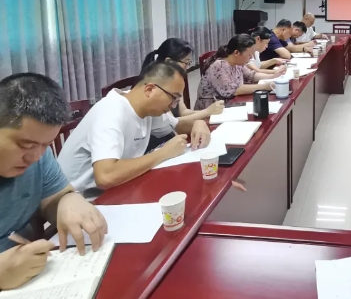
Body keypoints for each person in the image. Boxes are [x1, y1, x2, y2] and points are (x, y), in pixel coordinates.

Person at [0, 73, 108, 290]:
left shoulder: (39, 157)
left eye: (46, 144)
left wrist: (68, 200)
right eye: (25, 145)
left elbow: (55, 196)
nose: (35, 157)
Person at [58, 61, 212, 199]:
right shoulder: (111, 112)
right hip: (79, 201)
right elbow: (105, 176)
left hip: (118, 189)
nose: (173, 106)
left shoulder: (147, 107)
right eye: (173, 98)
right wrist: (163, 153)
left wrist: (198, 123)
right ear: (149, 89)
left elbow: (176, 125)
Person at [142, 38, 225, 121]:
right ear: (169, 61)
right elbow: (171, 123)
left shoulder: (175, 80)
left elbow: (183, 112)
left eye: (189, 63)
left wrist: (209, 111)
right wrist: (206, 112)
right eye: (186, 62)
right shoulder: (157, 86)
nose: (187, 67)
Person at [194, 34, 283, 109]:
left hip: (230, 103)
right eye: (249, 54)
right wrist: (264, 87)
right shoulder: (219, 66)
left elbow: (251, 76)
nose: (251, 57)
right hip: (212, 109)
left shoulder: (238, 63)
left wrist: (273, 77)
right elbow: (235, 90)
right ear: (236, 53)